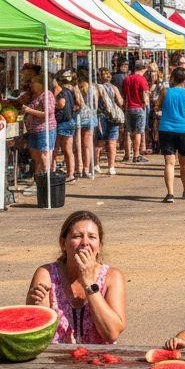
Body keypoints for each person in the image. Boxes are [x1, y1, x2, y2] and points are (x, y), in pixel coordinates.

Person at [25, 211, 127, 344]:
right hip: (54, 356)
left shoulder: (112, 277)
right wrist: (34, 310)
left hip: (100, 356)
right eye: (77, 236)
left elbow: (111, 333)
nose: (85, 242)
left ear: (99, 247)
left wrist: (89, 284)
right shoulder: (46, 274)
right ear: (63, 243)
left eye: (92, 237)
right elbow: (38, 336)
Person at [156, 67, 185, 203]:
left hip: (166, 130)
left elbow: (157, 107)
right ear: (184, 80)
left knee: (169, 163)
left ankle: (170, 194)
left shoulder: (165, 92)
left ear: (172, 78)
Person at [20, 77, 57, 179]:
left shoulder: (47, 95)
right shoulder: (36, 95)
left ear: (41, 84)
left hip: (45, 130)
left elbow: (47, 113)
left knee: (44, 156)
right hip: (34, 130)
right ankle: (39, 179)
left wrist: (28, 110)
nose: (31, 85)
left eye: (33, 83)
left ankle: (46, 178)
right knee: (36, 157)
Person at [121, 60, 151, 164]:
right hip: (139, 107)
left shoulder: (127, 79)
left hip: (128, 107)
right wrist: (146, 105)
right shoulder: (142, 79)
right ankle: (136, 155)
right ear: (143, 68)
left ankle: (127, 155)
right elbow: (145, 95)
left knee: (128, 132)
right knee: (138, 132)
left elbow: (124, 94)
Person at [95, 68, 123, 176]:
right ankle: (111, 167)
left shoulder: (97, 88)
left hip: (101, 116)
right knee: (112, 142)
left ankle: (96, 165)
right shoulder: (114, 88)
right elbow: (120, 101)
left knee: (100, 142)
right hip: (113, 117)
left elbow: (95, 103)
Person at [54, 71, 79, 182]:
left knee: (54, 150)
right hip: (70, 121)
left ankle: (53, 172)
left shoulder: (61, 92)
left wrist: (52, 104)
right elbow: (77, 104)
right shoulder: (70, 91)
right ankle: (70, 174)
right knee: (68, 150)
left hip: (62, 123)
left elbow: (61, 104)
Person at [76, 76, 97, 179]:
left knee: (77, 145)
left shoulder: (76, 89)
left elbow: (78, 104)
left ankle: (78, 168)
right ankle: (86, 169)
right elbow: (95, 105)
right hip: (90, 116)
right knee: (87, 146)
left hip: (78, 117)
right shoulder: (93, 89)